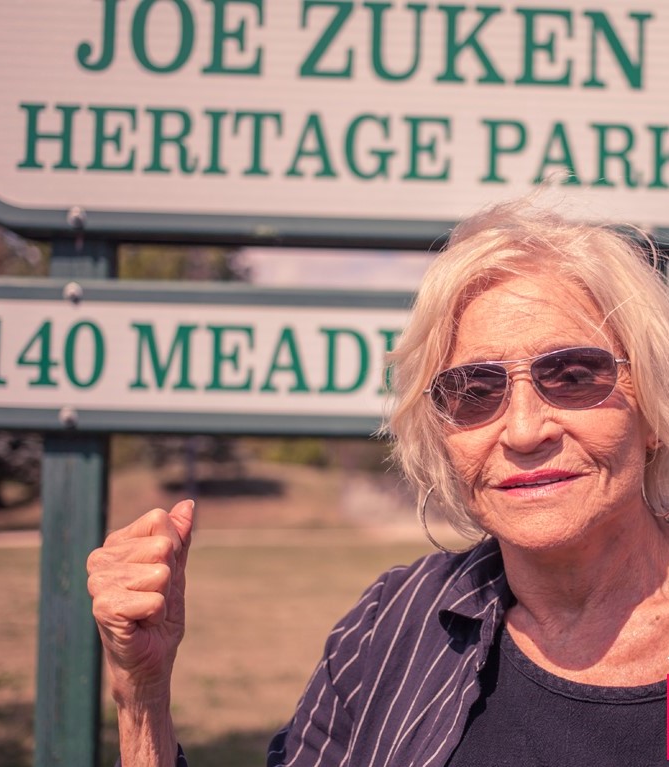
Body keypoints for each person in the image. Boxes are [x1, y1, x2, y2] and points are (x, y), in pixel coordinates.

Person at [87, 197, 669, 766]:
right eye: (475, 391)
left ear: (652, 410)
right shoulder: (395, 623)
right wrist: (143, 699)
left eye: (572, 376)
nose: (521, 430)